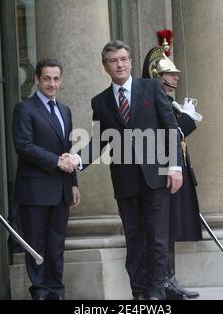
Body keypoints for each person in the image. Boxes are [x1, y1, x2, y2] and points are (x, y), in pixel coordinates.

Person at [64, 40, 184, 300]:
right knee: (134, 238)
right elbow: (99, 141)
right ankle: (139, 292)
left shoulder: (152, 88)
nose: (119, 64)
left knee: (157, 238)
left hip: (157, 176)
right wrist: (78, 159)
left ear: (130, 61)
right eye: (113, 61)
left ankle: (155, 292)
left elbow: (170, 127)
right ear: (105, 67)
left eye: (123, 59)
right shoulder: (101, 102)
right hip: (125, 180)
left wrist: (175, 167)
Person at [12, 58, 80, 300]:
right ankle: (40, 290)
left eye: (56, 79)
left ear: (61, 80)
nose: (52, 83)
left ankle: (56, 290)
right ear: (37, 80)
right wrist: (55, 162)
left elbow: (68, 150)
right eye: (47, 79)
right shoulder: (25, 108)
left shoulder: (64, 111)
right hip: (35, 188)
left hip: (61, 189)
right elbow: (24, 146)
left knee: (56, 244)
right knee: (36, 243)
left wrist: (73, 183)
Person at [141, 30, 202, 300]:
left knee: (173, 229)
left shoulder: (170, 101)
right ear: (156, 74)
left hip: (178, 170)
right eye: (170, 73)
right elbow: (169, 135)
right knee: (162, 231)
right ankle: (163, 282)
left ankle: (171, 279)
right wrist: (187, 121)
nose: (176, 77)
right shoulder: (154, 100)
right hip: (163, 172)